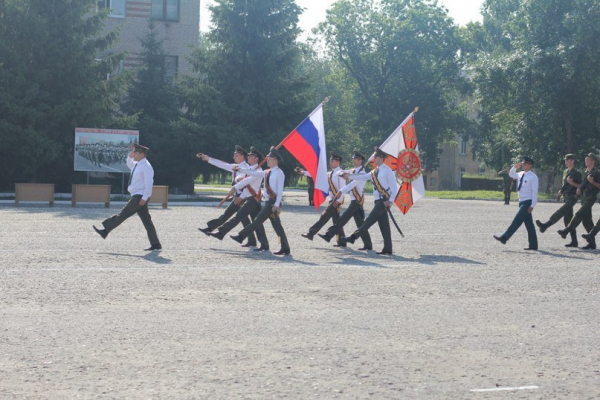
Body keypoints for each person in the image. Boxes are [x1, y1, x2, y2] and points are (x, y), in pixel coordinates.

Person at [93, 143, 161, 251]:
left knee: (123, 214)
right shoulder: (137, 164)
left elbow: (149, 183)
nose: (134, 155)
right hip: (137, 196)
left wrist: (145, 197)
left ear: (142, 154)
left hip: (139, 197)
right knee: (147, 221)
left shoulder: (146, 166)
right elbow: (129, 163)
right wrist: (130, 154)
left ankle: (105, 230)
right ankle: (156, 244)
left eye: (136, 153)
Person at [230, 146, 290, 256]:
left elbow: (280, 190)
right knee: (277, 226)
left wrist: (276, 204)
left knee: (257, 221)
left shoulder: (279, 173)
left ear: (275, 160)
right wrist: (241, 169)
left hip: (272, 203)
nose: (267, 160)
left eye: (269, 158)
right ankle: (285, 247)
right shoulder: (267, 172)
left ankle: (241, 236)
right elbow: (254, 173)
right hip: (268, 202)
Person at [206, 147, 269, 251]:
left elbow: (247, 182)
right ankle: (263, 244)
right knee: (256, 223)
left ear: (256, 158)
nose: (248, 157)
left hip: (253, 199)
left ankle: (221, 233)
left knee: (239, 217)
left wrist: (236, 189)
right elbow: (244, 182)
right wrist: (240, 191)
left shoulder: (258, 170)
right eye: (248, 155)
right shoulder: (249, 169)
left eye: (250, 156)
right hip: (250, 198)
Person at [341, 147, 399, 255]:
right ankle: (388, 248)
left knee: (368, 221)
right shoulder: (373, 172)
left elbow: (394, 188)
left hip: (383, 201)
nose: (374, 158)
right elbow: (362, 177)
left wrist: (390, 201)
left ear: (381, 158)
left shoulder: (388, 171)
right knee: (384, 225)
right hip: (377, 200)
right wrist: (349, 175)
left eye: (376, 157)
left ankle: (354, 237)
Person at [197, 145, 257, 247]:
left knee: (236, 217)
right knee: (239, 218)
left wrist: (239, 180)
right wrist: (208, 159)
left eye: (236, 155)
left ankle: (214, 230)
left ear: (242, 156)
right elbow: (223, 165)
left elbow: (244, 179)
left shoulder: (246, 168)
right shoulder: (236, 167)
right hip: (237, 197)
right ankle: (212, 229)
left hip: (243, 197)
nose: (234, 157)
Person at [317, 150, 373, 251]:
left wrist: (341, 191)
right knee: (360, 224)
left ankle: (328, 235)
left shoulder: (362, 173)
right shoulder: (355, 170)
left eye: (355, 159)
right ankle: (368, 244)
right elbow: (345, 172)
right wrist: (342, 173)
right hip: (354, 200)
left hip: (356, 201)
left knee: (342, 220)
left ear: (360, 160)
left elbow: (353, 184)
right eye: (353, 159)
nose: (353, 161)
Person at [299, 151, 347, 246]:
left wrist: (338, 200)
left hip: (336, 200)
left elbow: (343, 188)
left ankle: (311, 233)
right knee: (337, 222)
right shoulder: (330, 173)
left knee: (324, 217)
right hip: (332, 200)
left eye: (333, 161)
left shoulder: (340, 173)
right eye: (330, 160)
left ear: (338, 162)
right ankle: (342, 241)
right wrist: (303, 172)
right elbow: (317, 175)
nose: (331, 162)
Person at [535, 154, 582, 247]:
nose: (566, 162)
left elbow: (580, 187)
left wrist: (571, 182)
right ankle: (574, 241)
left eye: (568, 160)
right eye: (565, 160)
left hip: (573, 197)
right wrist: (560, 192)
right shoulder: (565, 171)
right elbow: (565, 184)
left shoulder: (577, 173)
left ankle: (546, 225)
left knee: (561, 211)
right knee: (568, 219)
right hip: (566, 196)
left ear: (572, 161)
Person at [493, 156, 538, 250]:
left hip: (527, 201)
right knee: (529, 225)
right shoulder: (521, 173)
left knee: (516, 221)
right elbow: (511, 174)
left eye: (525, 163)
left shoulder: (533, 177)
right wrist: (514, 167)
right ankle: (533, 245)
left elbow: (535, 192)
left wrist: (532, 205)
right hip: (521, 201)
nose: (523, 165)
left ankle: (505, 237)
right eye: (523, 163)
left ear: (530, 165)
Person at [558, 153, 600, 249]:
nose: (586, 161)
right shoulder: (584, 172)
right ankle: (591, 242)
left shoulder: (597, 172)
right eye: (585, 159)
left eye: (588, 160)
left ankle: (567, 230)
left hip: (591, 197)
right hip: (583, 197)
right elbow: (582, 184)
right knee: (586, 220)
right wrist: (580, 189)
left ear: (593, 161)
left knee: (579, 213)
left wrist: (592, 181)